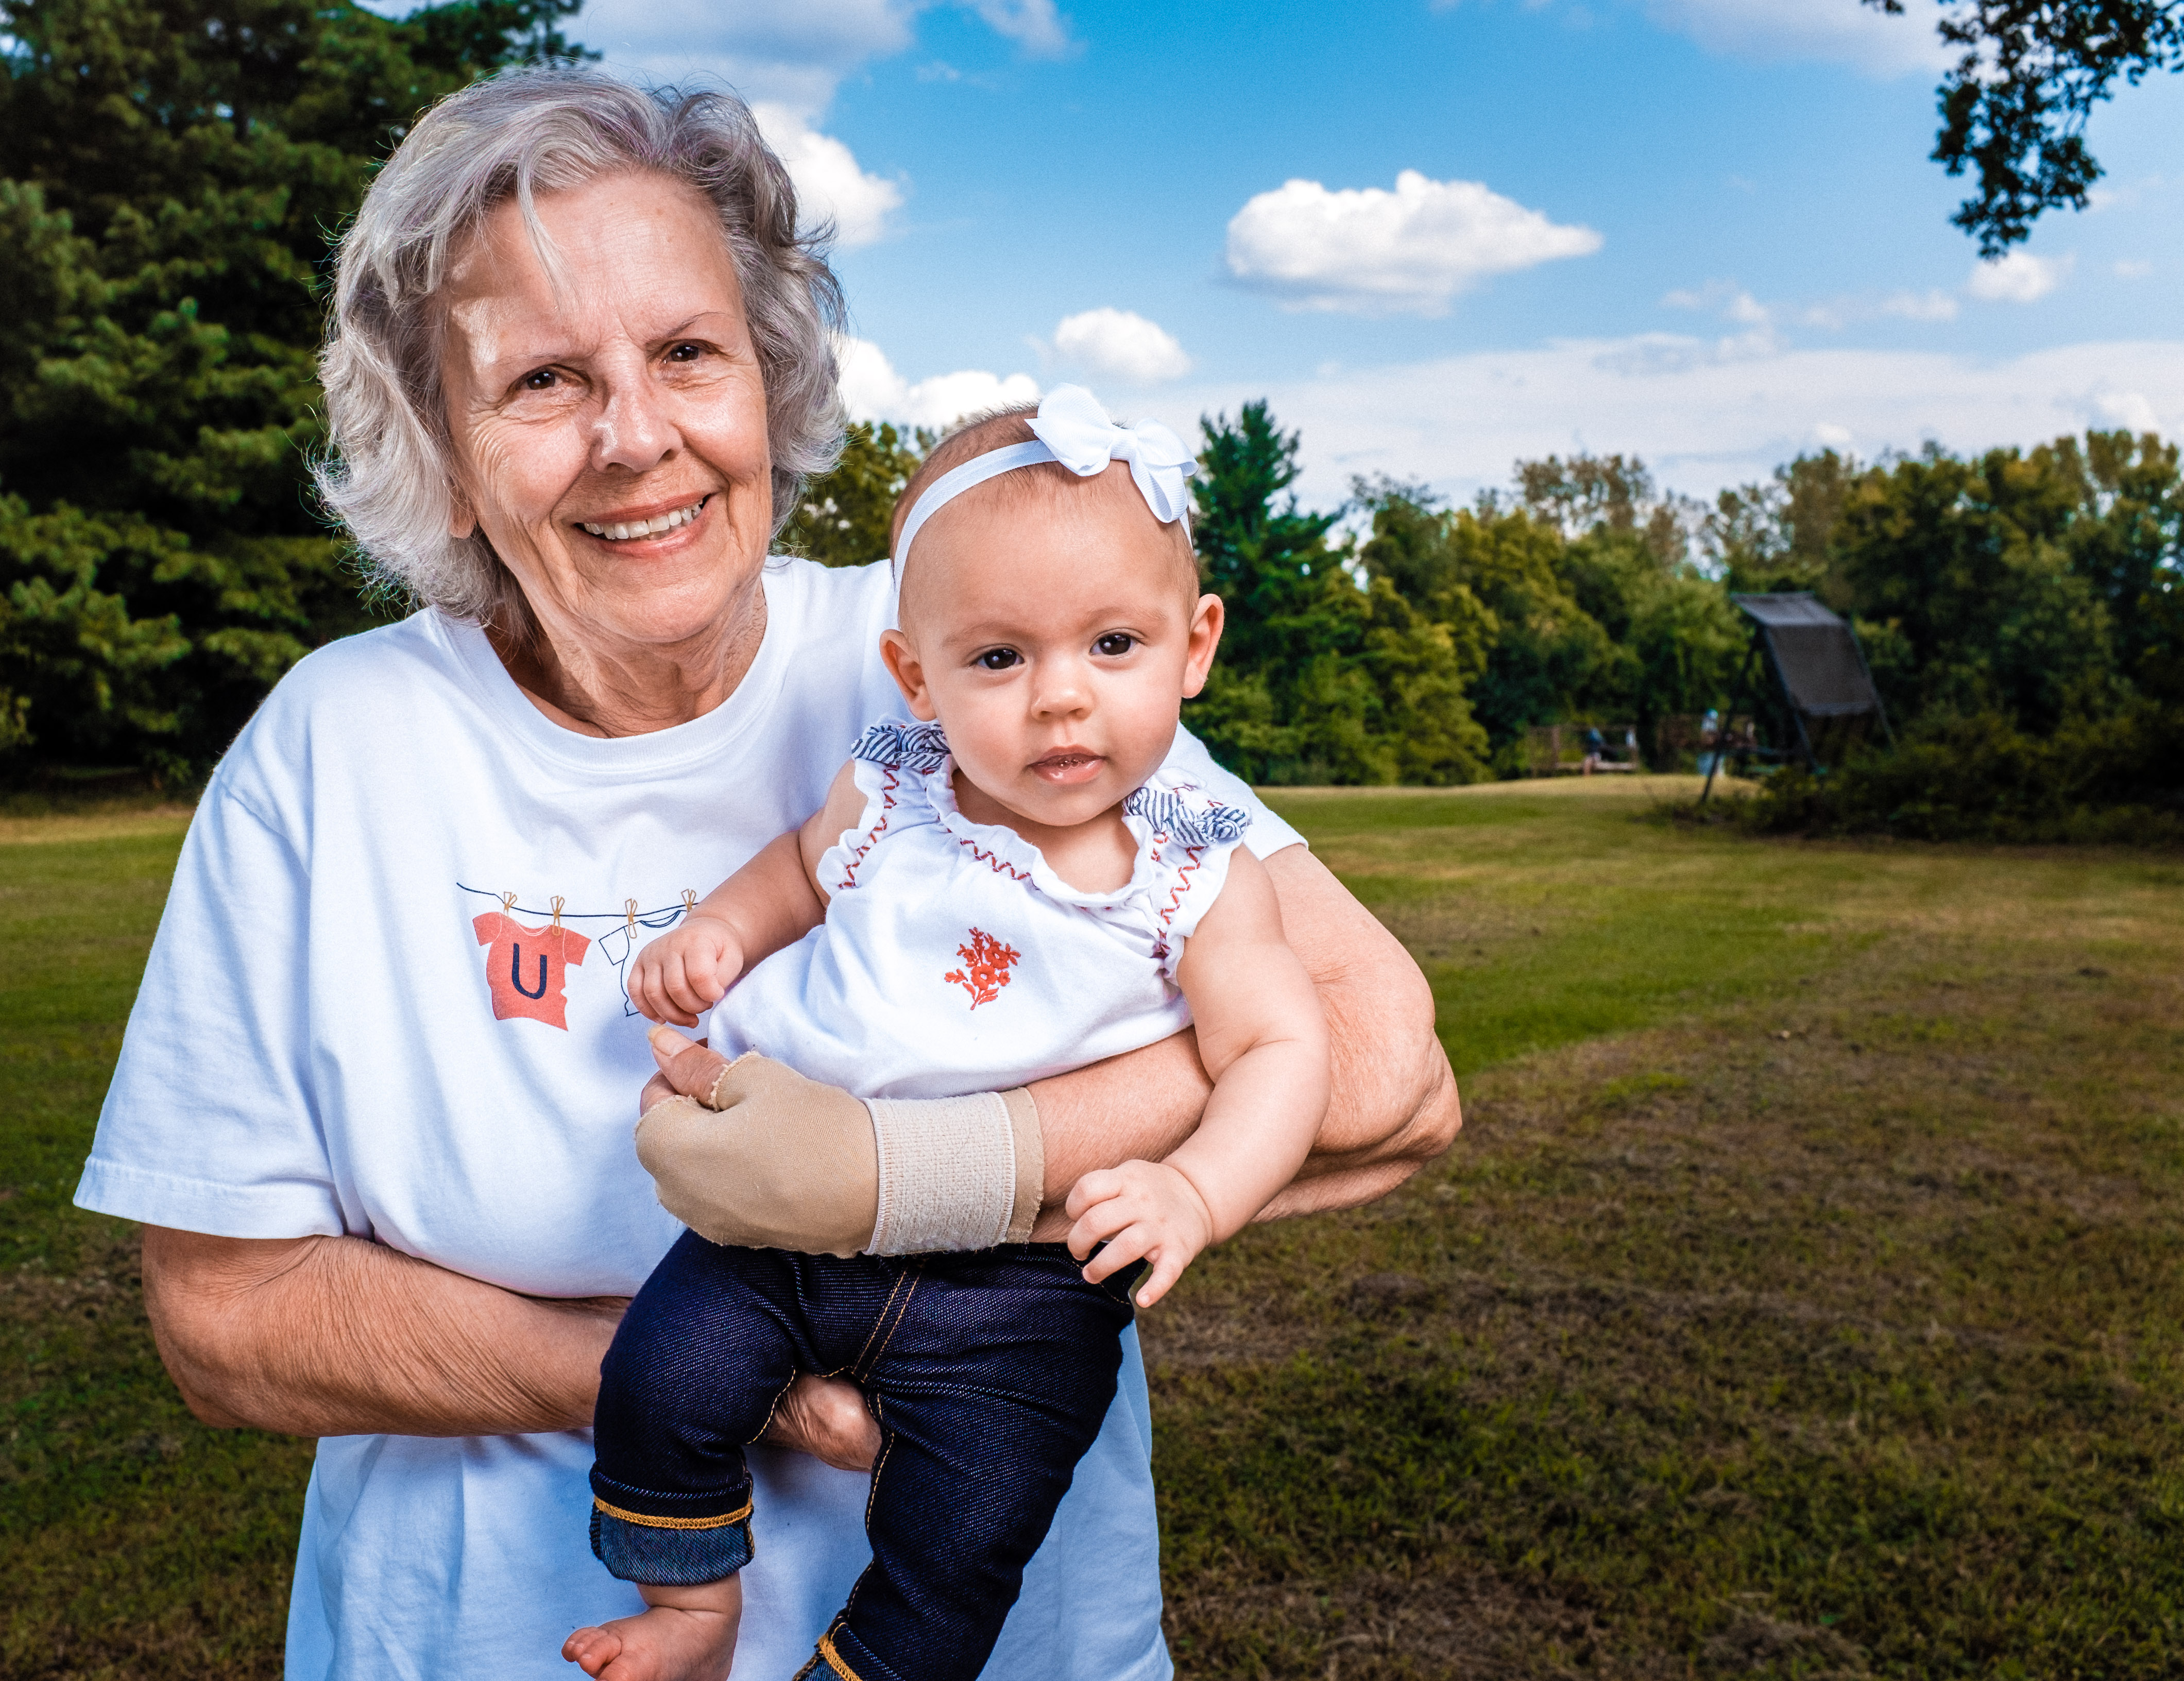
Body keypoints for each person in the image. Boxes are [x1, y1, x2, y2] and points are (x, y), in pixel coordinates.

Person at [74, 66, 1460, 1681]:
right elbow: (226, 1317)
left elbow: (1386, 1068)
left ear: (768, 377)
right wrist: (698, 1370)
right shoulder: (335, 750)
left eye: (685, 355)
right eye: (541, 382)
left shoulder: (991, 643)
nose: (636, 438)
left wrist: (904, 1175)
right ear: (444, 452)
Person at [567, 390, 1331, 1681]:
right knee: (661, 1376)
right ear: (916, 675)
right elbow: (799, 874)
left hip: (1027, 1283)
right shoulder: (891, 790)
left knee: (968, 1530)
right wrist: (724, 935)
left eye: (1112, 645)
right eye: (998, 660)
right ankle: (692, 1606)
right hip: (793, 1230)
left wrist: (1195, 1192)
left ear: (1195, 645)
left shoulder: (1197, 873)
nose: (1060, 702)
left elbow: (1283, 1051)